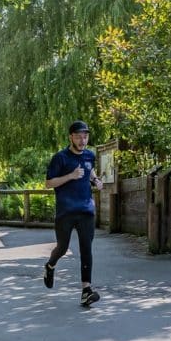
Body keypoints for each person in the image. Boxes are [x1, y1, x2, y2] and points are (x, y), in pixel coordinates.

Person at [43, 120, 104, 308]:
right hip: (66, 211)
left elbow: (89, 171)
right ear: (71, 137)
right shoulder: (60, 158)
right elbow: (49, 183)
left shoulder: (89, 156)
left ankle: (86, 290)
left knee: (86, 249)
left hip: (86, 210)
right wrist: (70, 175)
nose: (82, 140)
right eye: (78, 136)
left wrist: (95, 180)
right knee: (62, 247)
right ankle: (50, 265)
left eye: (85, 136)